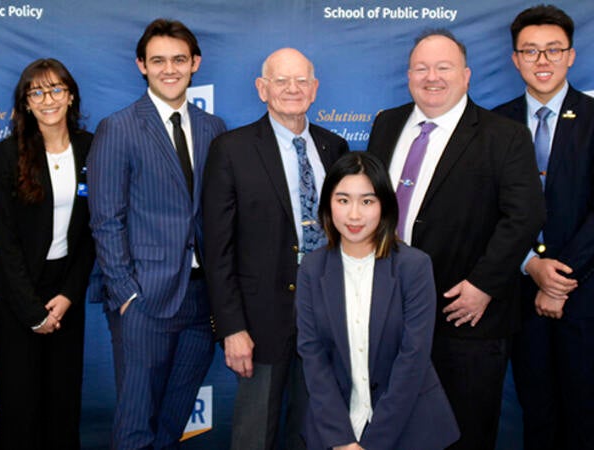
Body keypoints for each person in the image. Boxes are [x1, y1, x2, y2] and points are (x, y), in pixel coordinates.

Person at [366, 29, 544, 450]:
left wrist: (484, 285)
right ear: (409, 75)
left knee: (464, 434)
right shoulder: (387, 124)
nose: (432, 77)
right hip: (388, 314)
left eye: (443, 67)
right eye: (421, 68)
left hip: (465, 315)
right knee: (393, 432)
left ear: (466, 76)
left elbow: (525, 216)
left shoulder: (505, 135)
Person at [491, 6, 594, 449]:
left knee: (590, 420)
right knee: (539, 417)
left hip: (586, 297)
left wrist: (558, 280)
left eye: (553, 50)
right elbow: (489, 210)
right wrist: (532, 266)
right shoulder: (495, 123)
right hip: (521, 296)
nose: (542, 60)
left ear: (571, 55)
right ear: (515, 59)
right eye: (530, 51)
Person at [87, 18, 227, 449]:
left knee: (172, 423)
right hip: (144, 301)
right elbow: (106, 219)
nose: (170, 69)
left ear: (195, 63)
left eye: (179, 60)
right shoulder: (119, 127)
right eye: (159, 60)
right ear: (142, 65)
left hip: (201, 299)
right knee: (136, 425)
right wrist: (127, 293)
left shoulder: (213, 128)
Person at [203, 47, 349, 450]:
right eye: (281, 81)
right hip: (259, 322)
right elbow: (217, 249)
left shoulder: (335, 148)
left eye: (301, 81)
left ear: (314, 89)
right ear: (262, 88)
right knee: (254, 435)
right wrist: (232, 328)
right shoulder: (231, 149)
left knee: (314, 431)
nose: (292, 89)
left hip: (326, 317)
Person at [296, 152, 459, 450]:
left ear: (384, 205)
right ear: (328, 204)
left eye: (367, 201)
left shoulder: (414, 266)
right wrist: (342, 440)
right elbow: (313, 357)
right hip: (335, 431)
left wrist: (373, 444)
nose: (354, 215)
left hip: (409, 429)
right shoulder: (312, 268)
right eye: (343, 200)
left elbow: (413, 359)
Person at [0, 58, 94, 449]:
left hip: (66, 292)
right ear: (26, 103)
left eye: (56, 90)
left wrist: (68, 295)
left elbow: (92, 233)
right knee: (21, 407)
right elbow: (6, 240)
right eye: (37, 92)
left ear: (70, 97)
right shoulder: (7, 155)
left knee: (63, 404)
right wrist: (32, 311)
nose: (47, 100)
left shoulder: (91, 148)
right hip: (18, 294)